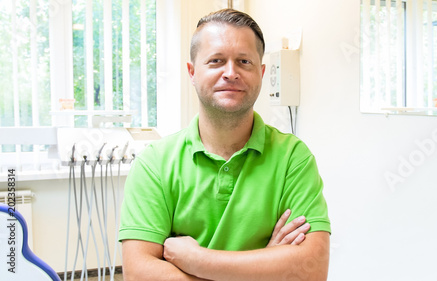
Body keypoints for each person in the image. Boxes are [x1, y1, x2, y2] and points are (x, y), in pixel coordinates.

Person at [119, 8, 331, 281]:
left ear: (262, 72)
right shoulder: (155, 163)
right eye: (216, 61)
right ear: (192, 72)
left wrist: (196, 259)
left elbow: (312, 270)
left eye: (244, 61)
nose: (231, 73)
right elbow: (138, 275)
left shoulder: (293, 157)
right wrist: (266, 265)